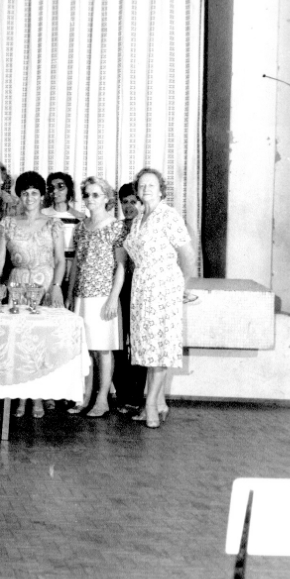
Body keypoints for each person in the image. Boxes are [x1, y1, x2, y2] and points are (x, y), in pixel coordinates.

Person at [120, 167, 197, 429]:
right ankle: (159, 402)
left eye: (151, 184)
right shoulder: (141, 218)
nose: (146, 189)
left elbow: (187, 254)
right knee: (147, 349)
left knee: (160, 349)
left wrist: (184, 286)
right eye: (142, 185)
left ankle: (150, 405)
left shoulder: (168, 216)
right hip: (142, 287)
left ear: (161, 189)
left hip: (163, 287)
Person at [0, 171, 65, 419]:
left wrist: (56, 287)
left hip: (43, 287)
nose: (29, 197)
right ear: (19, 196)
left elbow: (60, 260)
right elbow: (0, 258)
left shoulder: (54, 224)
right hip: (18, 285)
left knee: (41, 343)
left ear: (42, 196)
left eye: (34, 193)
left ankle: (38, 397)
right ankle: (20, 396)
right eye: (25, 193)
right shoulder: (9, 223)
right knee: (19, 342)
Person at [66, 176, 127, 418]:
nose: (90, 199)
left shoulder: (116, 227)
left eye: (95, 195)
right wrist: (70, 294)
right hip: (82, 295)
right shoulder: (81, 227)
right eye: (87, 195)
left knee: (103, 349)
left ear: (107, 198)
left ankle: (102, 399)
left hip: (103, 296)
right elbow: (76, 266)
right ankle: (86, 396)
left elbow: (121, 266)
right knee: (86, 348)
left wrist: (113, 298)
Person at [113, 182, 147, 413]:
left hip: (142, 291)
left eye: (132, 201)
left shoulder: (147, 228)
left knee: (138, 344)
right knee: (116, 344)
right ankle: (123, 393)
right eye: (124, 202)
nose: (128, 206)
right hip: (118, 290)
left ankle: (136, 397)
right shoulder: (116, 228)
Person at [42, 171, 85, 296]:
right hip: (48, 274)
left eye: (61, 187)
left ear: (69, 189)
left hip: (72, 275)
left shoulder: (80, 218)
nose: (55, 191)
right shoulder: (43, 215)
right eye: (51, 188)